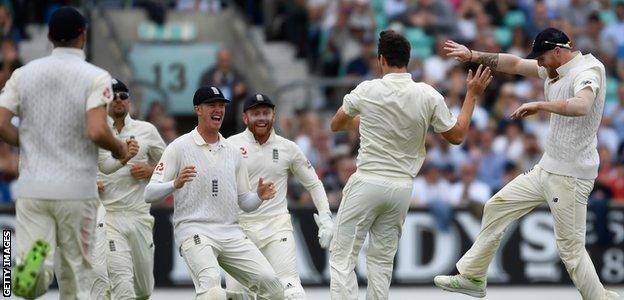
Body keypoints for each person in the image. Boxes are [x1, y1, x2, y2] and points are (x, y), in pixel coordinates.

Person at [436, 27, 619, 299]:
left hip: (570, 176)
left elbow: (582, 105)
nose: (539, 62)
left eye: (542, 56)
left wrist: (539, 105)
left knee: (571, 252)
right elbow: (516, 64)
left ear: (558, 51)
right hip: (548, 168)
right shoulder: (556, 67)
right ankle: (473, 277)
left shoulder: (587, 72)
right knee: (497, 206)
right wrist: (472, 54)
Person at [328, 30, 492, 299]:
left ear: (381, 59)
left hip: (368, 180)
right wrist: (472, 94)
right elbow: (458, 135)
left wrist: (367, 120)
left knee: (342, 255)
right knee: (381, 262)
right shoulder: (427, 95)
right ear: (408, 60)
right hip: (402, 188)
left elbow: (336, 124)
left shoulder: (368, 89)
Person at [0, 7, 132, 299]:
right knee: (77, 280)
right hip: (77, 192)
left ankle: (33, 271)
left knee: (34, 276)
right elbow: (97, 130)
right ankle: (42, 272)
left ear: (49, 36)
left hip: (33, 188)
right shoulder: (96, 77)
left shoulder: (24, 74)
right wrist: (120, 148)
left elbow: (0, 122)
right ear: (83, 36)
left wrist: (29, 141)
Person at [143, 86, 284, 299]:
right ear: (198, 109)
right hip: (194, 230)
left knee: (273, 287)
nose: (218, 110)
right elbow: (150, 193)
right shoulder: (178, 147)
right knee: (212, 292)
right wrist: (175, 183)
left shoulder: (233, 152)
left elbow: (245, 202)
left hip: (230, 232)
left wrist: (259, 197)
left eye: (221, 106)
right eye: (212, 105)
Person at [225, 93, 333, 299]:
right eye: (255, 113)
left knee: (291, 293)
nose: (262, 118)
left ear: (273, 116)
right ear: (245, 118)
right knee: (236, 296)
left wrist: (326, 217)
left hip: (276, 228)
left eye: (266, 113)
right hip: (239, 231)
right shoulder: (229, 146)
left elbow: (313, 183)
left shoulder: (288, 148)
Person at [93, 79, 166, 299]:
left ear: (129, 101)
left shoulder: (146, 131)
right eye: (113, 96)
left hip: (139, 217)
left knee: (143, 289)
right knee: (121, 281)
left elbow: (171, 166)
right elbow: (79, 165)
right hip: (108, 216)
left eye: (123, 96)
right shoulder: (96, 131)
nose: (118, 100)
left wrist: (151, 169)